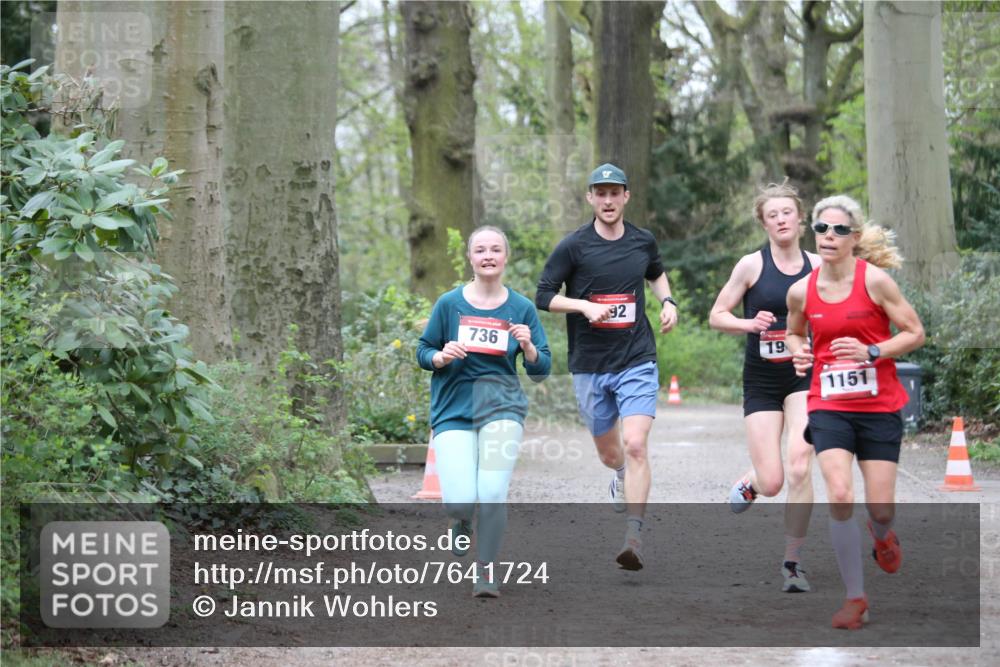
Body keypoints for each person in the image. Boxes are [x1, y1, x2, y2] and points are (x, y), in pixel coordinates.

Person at [785, 195, 924, 629]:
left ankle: (882, 535)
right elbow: (792, 332)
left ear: (855, 238)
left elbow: (915, 332)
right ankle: (855, 598)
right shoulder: (801, 290)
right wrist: (799, 352)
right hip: (827, 404)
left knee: (880, 508)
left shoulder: (877, 281)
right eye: (822, 228)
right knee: (840, 494)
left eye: (839, 230)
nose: (829, 236)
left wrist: (873, 350)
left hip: (878, 404)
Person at [536, 163, 677, 571]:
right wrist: (582, 305)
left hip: (636, 357)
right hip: (590, 363)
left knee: (635, 444)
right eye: (601, 193)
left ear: (626, 196)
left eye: (615, 193)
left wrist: (667, 301)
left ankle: (633, 536)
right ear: (590, 198)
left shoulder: (642, 241)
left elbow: (656, 273)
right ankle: (617, 473)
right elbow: (543, 296)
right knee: (611, 452)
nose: (608, 200)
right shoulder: (573, 246)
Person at [417, 226, 552, 598]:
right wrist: (440, 356)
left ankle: (486, 570)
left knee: (492, 491)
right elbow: (423, 350)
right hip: (454, 409)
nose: (488, 255)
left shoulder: (521, 308)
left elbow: (542, 370)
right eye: (480, 250)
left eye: (495, 249)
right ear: (470, 258)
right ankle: (460, 521)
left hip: (502, 408)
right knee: (460, 499)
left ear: (505, 257)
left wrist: (528, 348)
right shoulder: (449, 304)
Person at [708, 182, 820, 594]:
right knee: (774, 481)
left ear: (799, 218)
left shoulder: (819, 265)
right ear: (764, 222)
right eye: (772, 215)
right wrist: (745, 324)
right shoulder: (751, 266)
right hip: (761, 380)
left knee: (800, 464)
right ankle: (754, 482)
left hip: (804, 376)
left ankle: (793, 562)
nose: (780, 220)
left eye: (786, 212)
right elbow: (717, 315)